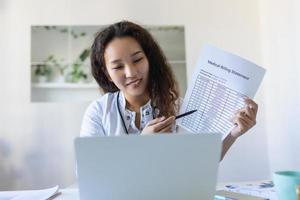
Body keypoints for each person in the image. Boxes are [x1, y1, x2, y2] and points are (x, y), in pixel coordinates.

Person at [80, 21, 258, 160]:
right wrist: (141, 145)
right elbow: (88, 171)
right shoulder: (99, 112)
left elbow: (201, 159)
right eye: (118, 66)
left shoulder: (179, 107)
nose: (131, 72)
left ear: (150, 60)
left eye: (137, 60)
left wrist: (234, 133)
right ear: (107, 74)